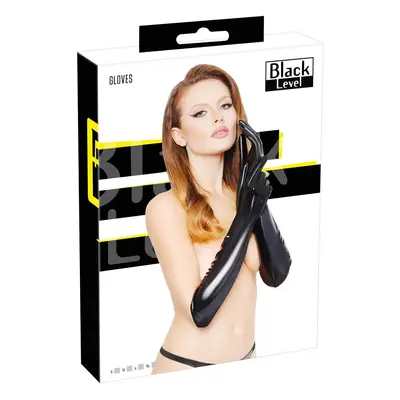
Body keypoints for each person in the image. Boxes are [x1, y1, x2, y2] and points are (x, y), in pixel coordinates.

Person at [146, 64, 271, 374]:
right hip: (188, 368)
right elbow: (199, 312)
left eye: (225, 106)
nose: (218, 117)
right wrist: (246, 217)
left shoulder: (239, 194)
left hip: (249, 359)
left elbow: (276, 274)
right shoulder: (165, 208)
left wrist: (254, 183)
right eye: (200, 113)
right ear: (178, 136)